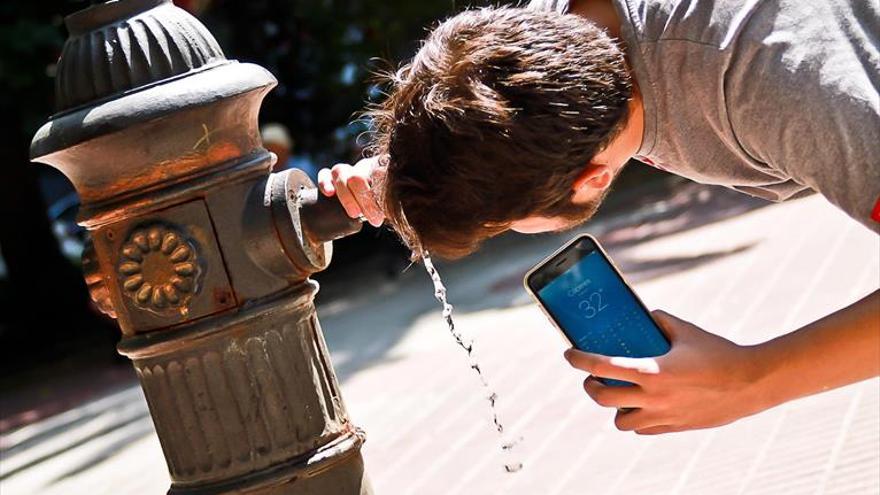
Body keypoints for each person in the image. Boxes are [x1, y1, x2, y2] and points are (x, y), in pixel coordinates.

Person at [317, 0, 880, 435]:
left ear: (592, 179)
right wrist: (416, 165)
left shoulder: (777, 89)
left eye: (508, 222)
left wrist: (751, 380)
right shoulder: (552, 41)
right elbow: (483, 103)